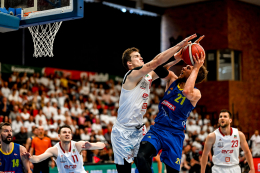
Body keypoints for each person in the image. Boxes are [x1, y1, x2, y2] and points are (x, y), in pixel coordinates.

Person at [111, 34, 199, 173]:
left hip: (139, 129)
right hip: (123, 131)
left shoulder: (147, 76)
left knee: (143, 161)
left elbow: (160, 69)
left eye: (140, 55)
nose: (140, 57)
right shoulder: (131, 75)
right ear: (130, 64)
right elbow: (155, 63)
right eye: (136, 56)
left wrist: (177, 59)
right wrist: (179, 45)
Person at [135, 36, 207, 173]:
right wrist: (177, 59)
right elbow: (158, 69)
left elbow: (187, 91)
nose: (184, 67)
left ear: (195, 74)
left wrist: (197, 67)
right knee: (141, 157)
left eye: (188, 67)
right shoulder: (173, 79)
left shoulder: (196, 94)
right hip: (158, 130)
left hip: (175, 134)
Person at [22, 125, 105, 173]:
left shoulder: (78, 145)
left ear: (71, 136)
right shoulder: (54, 150)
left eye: (69, 132)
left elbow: (102, 145)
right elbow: (37, 159)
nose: (67, 134)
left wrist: (91, 145)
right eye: (64, 132)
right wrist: (30, 158)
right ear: (59, 136)